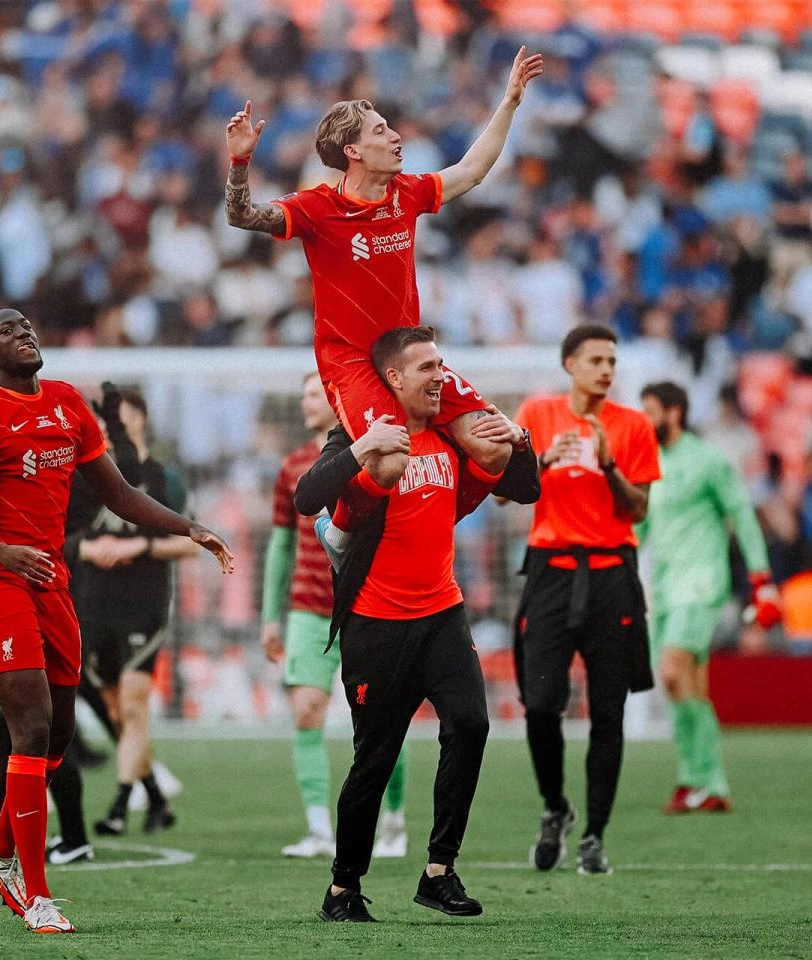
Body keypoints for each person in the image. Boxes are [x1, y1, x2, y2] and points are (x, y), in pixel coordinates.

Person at [0, 307, 234, 934]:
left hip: (52, 584)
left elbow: (117, 494)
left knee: (59, 734)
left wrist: (189, 526)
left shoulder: (67, 403)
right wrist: (1, 551)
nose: (24, 332)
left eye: (26, 324)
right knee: (30, 727)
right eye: (5, 331)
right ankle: (35, 894)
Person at [224, 48, 542, 550]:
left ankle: (428, 524)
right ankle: (341, 533)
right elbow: (242, 215)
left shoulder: (407, 193)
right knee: (391, 460)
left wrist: (509, 101)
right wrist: (240, 160)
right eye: (380, 131)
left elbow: (472, 171)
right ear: (352, 151)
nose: (395, 137)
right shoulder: (316, 208)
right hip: (351, 361)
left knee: (495, 447)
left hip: (408, 356)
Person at [294, 326, 530, 922]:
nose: (441, 376)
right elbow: (306, 496)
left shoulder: (457, 438)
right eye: (427, 366)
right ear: (393, 379)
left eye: (443, 364)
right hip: (376, 627)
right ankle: (343, 888)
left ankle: (439, 872)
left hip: (442, 615)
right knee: (374, 758)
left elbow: (526, 487)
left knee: (472, 724)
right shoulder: (361, 435)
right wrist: (359, 446)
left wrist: (519, 440)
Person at [512, 324, 660, 876]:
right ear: (569, 363)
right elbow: (507, 491)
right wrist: (543, 461)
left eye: (612, 361)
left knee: (609, 710)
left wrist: (609, 463)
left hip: (611, 576)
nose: (606, 369)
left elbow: (638, 509)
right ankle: (555, 805)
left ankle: (595, 834)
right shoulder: (537, 413)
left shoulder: (632, 425)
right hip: (551, 572)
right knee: (541, 705)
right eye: (595, 359)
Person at [262, 372, 409, 859]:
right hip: (310, 607)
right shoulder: (293, 467)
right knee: (306, 711)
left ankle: (393, 820)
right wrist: (269, 615)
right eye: (302, 392)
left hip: (369, 601)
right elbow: (282, 543)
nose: (304, 402)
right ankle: (320, 829)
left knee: (381, 717)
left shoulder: (383, 454)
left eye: (313, 394)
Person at [637, 382, 781, 815]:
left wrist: (762, 578)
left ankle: (696, 778)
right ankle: (706, 782)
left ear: (674, 412)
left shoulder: (709, 460)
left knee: (672, 669)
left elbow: (742, 514)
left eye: (651, 411)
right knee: (687, 684)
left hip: (700, 584)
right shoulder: (650, 464)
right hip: (665, 587)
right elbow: (641, 529)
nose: (644, 420)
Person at [73, 388, 195, 839]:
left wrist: (136, 545)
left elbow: (190, 541)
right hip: (97, 606)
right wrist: (86, 548)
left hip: (145, 607)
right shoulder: (86, 481)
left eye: (115, 417)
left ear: (137, 420)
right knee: (116, 712)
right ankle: (157, 798)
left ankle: (121, 805)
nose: (107, 426)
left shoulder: (166, 481)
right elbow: (66, 536)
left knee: (133, 706)